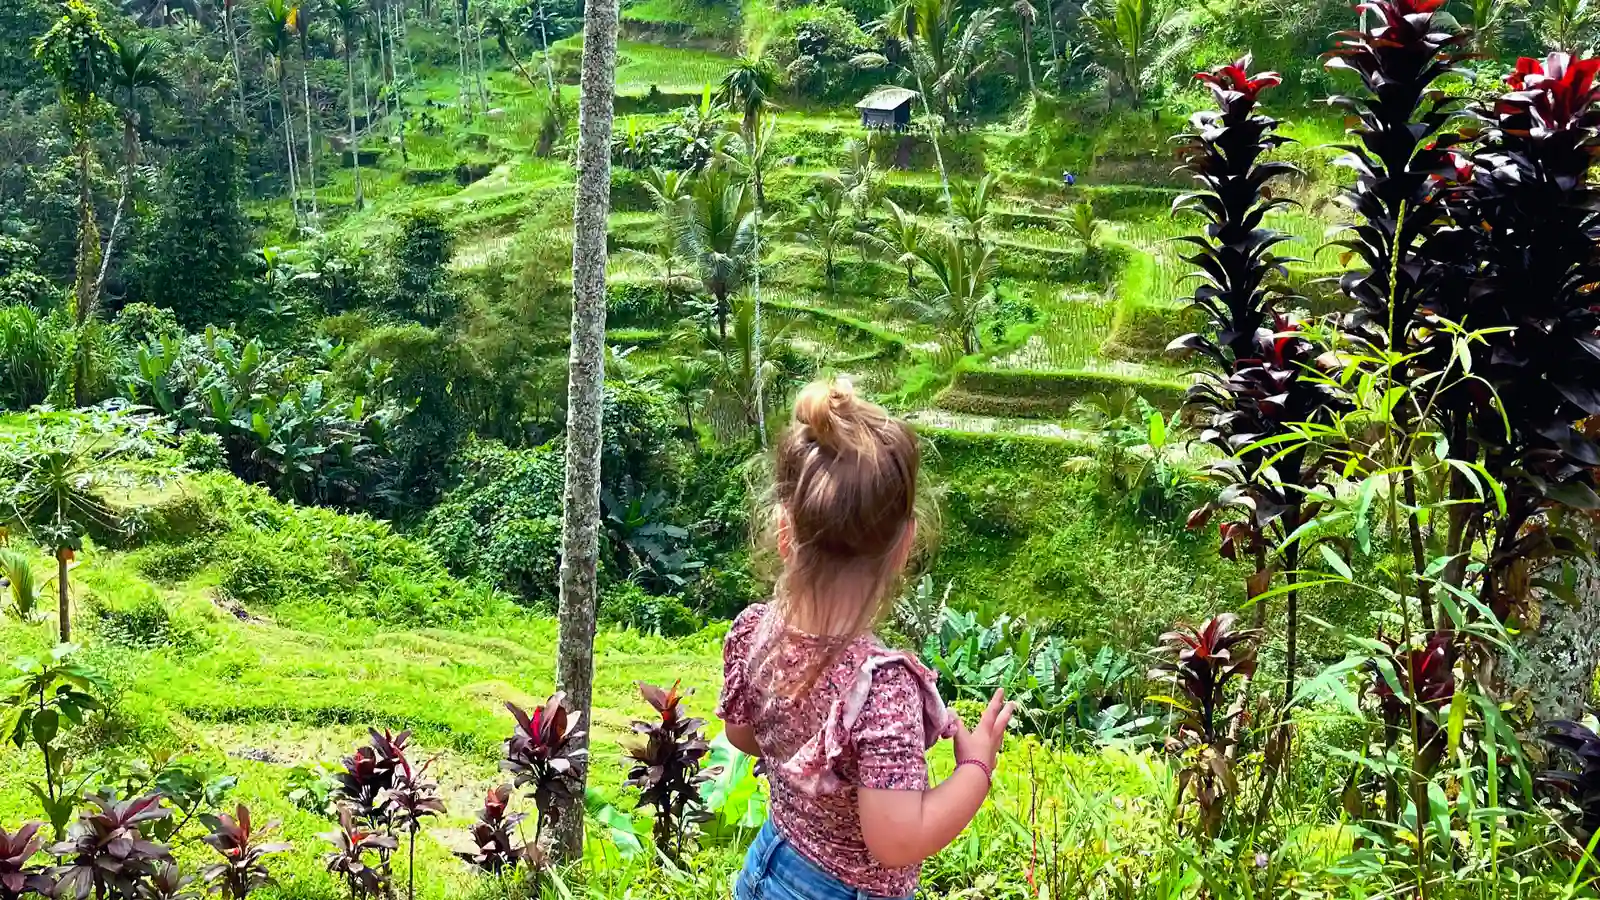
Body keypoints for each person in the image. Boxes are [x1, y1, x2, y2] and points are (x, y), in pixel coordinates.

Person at [718, 378, 1015, 900]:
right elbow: (896, 841)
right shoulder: (881, 691)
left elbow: (742, 736)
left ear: (784, 532)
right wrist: (975, 768)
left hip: (768, 866)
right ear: (904, 546)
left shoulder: (755, 631)